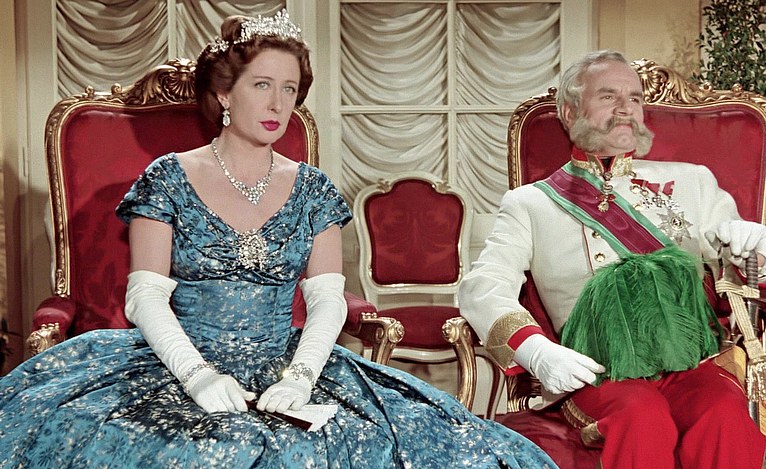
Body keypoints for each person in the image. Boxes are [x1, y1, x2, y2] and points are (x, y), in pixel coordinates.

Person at [0, 11, 559, 469]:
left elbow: (326, 299)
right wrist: (196, 375)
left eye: (289, 89)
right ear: (224, 93)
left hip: (288, 364)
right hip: (177, 362)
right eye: (262, 85)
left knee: (448, 448)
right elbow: (144, 296)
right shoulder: (167, 177)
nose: (277, 105)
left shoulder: (313, 189)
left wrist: (301, 376)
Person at [459, 50, 766, 469]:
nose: (626, 109)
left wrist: (757, 255)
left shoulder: (694, 181)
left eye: (634, 98)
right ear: (569, 112)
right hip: (599, 370)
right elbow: (482, 289)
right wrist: (538, 352)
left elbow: (759, 283)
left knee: (723, 413)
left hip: (691, 362)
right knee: (641, 418)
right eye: (608, 96)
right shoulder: (530, 204)